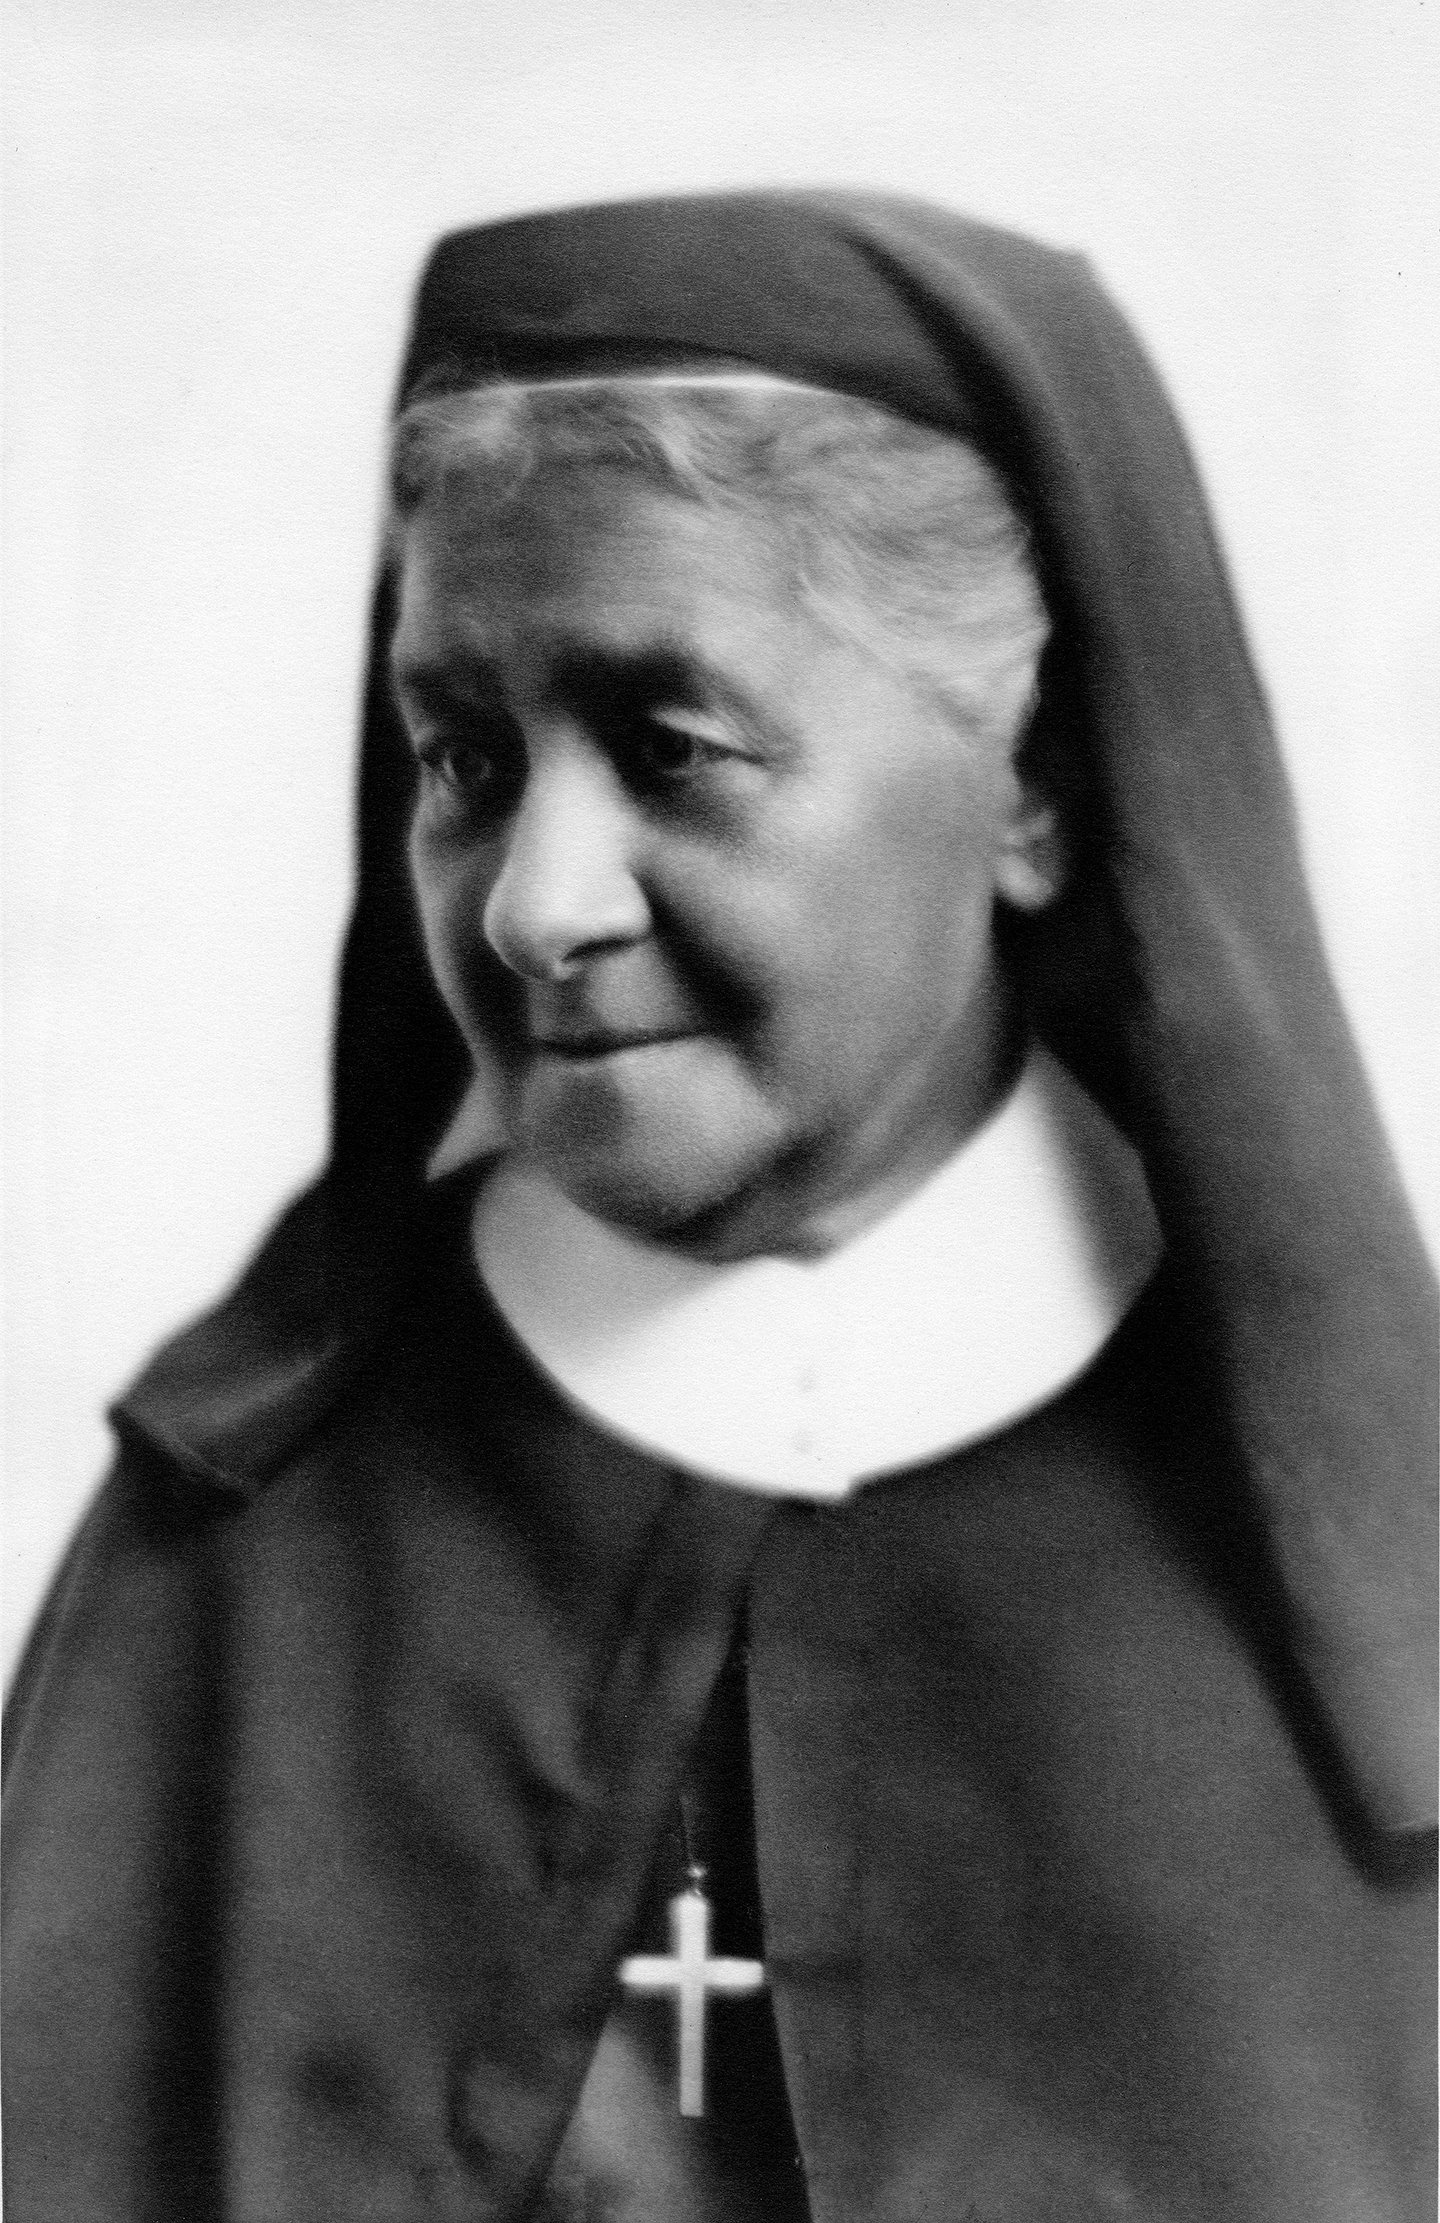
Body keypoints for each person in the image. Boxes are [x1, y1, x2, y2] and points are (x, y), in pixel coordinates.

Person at [3, 190, 1434, 2223]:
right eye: (462, 758)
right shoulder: (237, 1547)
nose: (535, 902)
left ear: (1032, 788)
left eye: (673, 749)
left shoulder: (1350, 1601)